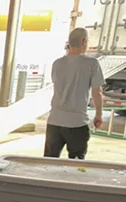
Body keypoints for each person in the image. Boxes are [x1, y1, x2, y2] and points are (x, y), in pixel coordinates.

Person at [45, 28, 104, 160]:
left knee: (48, 162)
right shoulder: (92, 64)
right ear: (84, 42)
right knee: (76, 164)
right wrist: (98, 114)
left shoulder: (57, 63)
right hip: (77, 123)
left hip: (54, 122)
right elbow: (97, 92)